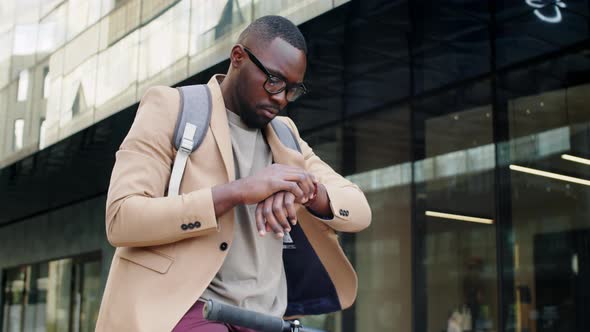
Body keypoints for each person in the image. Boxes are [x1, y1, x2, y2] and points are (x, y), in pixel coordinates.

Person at [95, 15, 371, 332]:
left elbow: (357, 208)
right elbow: (121, 218)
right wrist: (237, 192)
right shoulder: (171, 107)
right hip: (188, 311)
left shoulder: (286, 136)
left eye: (291, 89)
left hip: (266, 319)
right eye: (273, 81)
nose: (280, 98)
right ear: (238, 57)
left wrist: (303, 190)